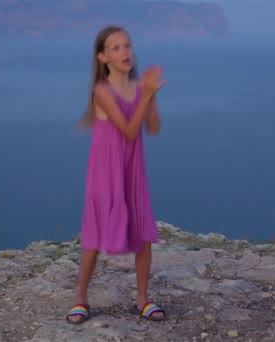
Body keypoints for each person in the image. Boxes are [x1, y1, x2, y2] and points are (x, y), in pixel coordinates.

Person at [66, 26, 166, 324]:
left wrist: (150, 94)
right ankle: (80, 299)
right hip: (105, 173)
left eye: (127, 46)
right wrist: (146, 95)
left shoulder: (139, 87)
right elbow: (129, 130)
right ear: (103, 56)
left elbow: (153, 128)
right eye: (116, 47)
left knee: (144, 234)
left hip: (132, 171)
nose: (125, 51)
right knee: (94, 237)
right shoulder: (102, 91)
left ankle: (142, 298)